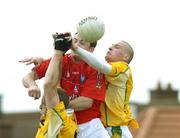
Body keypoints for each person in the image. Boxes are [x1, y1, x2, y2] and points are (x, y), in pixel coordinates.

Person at [20, 32, 110, 138]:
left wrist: (53, 104)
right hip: (61, 122)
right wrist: (32, 85)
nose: (76, 45)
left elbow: (86, 102)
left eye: (82, 43)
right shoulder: (60, 59)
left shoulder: (96, 67)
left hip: (88, 125)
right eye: (74, 41)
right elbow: (27, 77)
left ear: (91, 50)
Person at [70, 40, 139, 138]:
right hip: (102, 128)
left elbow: (101, 65)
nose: (110, 48)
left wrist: (76, 48)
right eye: (111, 45)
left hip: (117, 130)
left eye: (117, 47)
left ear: (126, 57)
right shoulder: (100, 70)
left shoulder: (123, 68)